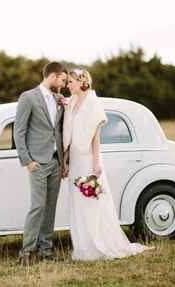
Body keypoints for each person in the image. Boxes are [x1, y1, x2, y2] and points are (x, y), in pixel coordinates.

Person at [62, 68, 153, 261]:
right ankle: (84, 246)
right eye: (67, 82)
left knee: (92, 200)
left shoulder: (92, 102)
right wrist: (66, 161)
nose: (68, 85)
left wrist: (96, 163)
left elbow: (95, 136)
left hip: (88, 158)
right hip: (76, 159)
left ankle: (99, 245)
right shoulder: (73, 102)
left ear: (81, 81)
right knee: (78, 202)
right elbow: (69, 134)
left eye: (70, 82)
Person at [14, 61, 68, 266]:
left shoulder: (59, 99)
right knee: (37, 206)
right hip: (37, 162)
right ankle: (26, 252)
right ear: (53, 76)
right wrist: (27, 160)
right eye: (62, 80)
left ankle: (46, 250)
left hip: (56, 161)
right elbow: (19, 131)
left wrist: (63, 162)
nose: (63, 85)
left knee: (50, 207)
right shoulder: (28, 98)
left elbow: (59, 130)